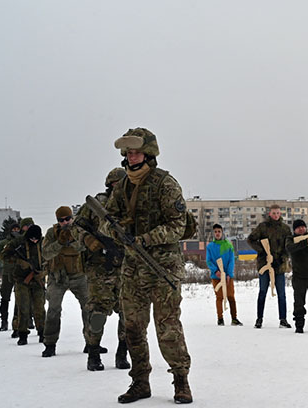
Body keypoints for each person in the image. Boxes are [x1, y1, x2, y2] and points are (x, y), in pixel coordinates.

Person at [103, 127, 192, 404]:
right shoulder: (123, 187)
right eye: (128, 153)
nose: (132, 157)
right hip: (132, 271)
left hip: (161, 268)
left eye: (136, 152)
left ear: (149, 153)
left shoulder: (165, 183)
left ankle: (181, 381)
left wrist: (145, 239)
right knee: (132, 328)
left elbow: (178, 226)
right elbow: (106, 221)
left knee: (167, 328)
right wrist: (118, 231)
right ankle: (140, 381)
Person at [76, 167, 130, 371]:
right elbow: (76, 228)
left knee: (127, 312)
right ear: (110, 186)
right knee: (98, 312)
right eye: (116, 185)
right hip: (100, 269)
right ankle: (93, 354)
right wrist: (88, 239)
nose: (119, 189)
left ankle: (122, 353)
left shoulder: (131, 205)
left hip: (125, 266)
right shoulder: (96, 205)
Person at [41, 206, 90, 358]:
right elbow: (46, 254)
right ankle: (50, 343)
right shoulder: (52, 233)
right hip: (58, 277)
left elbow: (86, 248)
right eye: (61, 220)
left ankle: (92, 342)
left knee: (89, 307)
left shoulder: (80, 230)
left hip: (79, 276)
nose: (65, 222)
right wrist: (60, 242)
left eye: (68, 219)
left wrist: (72, 240)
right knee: (53, 310)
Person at [247, 204, 292, 329]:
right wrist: (262, 251)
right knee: (262, 291)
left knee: (281, 293)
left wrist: (282, 258)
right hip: (264, 264)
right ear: (269, 214)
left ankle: (283, 319)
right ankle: (259, 318)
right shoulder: (263, 227)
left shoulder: (285, 229)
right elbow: (250, 239)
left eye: (278, 213)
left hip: (279, 265)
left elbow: (288, 246)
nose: (276, 215)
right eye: (274, 213)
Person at [0, 225, 46, 345]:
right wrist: (19, 261)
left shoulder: (43, 243)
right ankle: (22, 334)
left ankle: (42, 332)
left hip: (37, 279)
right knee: (23, 307)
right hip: (21, 280)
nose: (34, 241)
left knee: (39, 307)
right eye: (32, 239)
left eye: (37, 239)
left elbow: (51, 259)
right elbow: (4, 255)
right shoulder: (18, 242)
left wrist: (43, 272)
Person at [206, 224, 242, 326]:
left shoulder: (228, 245)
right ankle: (220, 318)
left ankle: (234, 318)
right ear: (213, 233)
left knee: (231, 296)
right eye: (215, 232)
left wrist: (228, 274)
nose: (217, 233)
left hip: (227, 276)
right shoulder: (210, 246)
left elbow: (231, 261)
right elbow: (209, 261)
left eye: (219, 231)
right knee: (219, 297)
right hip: (216, 276)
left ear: (222, 233)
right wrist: (215, 271)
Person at [0, 222, 20, 332]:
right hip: (7, 273)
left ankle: (19, 321)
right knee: (5, 297)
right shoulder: (4, 243)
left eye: (17, 229)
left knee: (20, 298)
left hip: (19, 273)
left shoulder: (21, 242)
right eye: (13, 229)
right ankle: (4, 321)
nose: (15, 231)